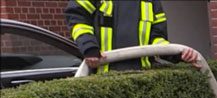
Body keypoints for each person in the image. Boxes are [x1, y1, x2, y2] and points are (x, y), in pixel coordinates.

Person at [65, 0, 198, 73]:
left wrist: (178, 54)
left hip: (143, 77)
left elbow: (157, 39)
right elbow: (77, 17)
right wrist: (90, 48)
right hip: (104, 77)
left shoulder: (152, 2)